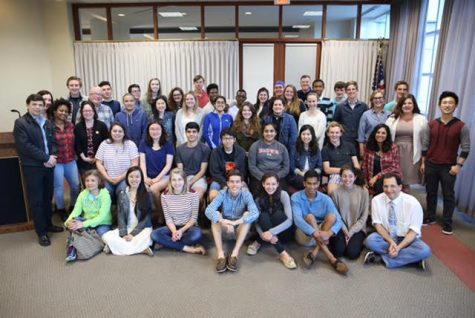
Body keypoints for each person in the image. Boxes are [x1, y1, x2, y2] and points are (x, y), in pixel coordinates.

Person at [13, 94, 62, 246]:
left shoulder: (47, 122)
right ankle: (41, 232)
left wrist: (53, 157)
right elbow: (25, 146)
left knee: (48, 197)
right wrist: (45, 158)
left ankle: (48, 224)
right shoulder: (21, 123)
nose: (38, 107)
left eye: (40, 105)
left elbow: (54, 142)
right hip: (33, 167)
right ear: (27, 105)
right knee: (37, 200)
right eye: (34, 104)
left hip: (49, 165)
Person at [421, 91, 470, 235]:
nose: (447, 105)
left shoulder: (461, 126)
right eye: (444, 102)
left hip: (449, 167)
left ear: (455, 105)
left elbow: (466, 148)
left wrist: (458, 165)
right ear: (439, 105)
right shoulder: (431, 124)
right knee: (430, 192)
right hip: (431, 164)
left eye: (450, 103)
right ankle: (430, 217)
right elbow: (425, 145)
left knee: (448, 195)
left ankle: (447, 222)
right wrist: (423, 163)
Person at [364, 173, 431, 269]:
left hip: (407, 239)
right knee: (370, 241)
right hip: (387, 237)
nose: (389, 190)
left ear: (400, 187)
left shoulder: (413, 203)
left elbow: (413, 233)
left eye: (392, 186)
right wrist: (391, 242)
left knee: (425, 250)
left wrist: (398, 248)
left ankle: (381, 258)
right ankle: (411, 259)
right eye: (385, 186)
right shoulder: (376, 200)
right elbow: (378, 225)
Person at [291, 170, 348, 275]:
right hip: (305, 236)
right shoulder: (296, 197)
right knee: (309, 217)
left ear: (318, 183)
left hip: (322, 235)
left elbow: (339, 219)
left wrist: (329, 233)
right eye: (309, 183)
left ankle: (314, 252)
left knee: (332, 216)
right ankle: (331, 258)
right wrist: (314, 232)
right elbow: (297, 220)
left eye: (315, 183)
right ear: (304, 183)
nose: (312, 187)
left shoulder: (326, 199)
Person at [205, 170, 259, 273]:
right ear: (228, 183)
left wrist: (237, 222)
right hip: (225, 229)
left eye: (237, 182)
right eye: (232, 182)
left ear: (241, 183)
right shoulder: (222, 193)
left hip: (240, 230)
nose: (235, 185)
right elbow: (209, 210)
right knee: (215, 215)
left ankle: (234, 254)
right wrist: (222, 221)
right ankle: (221, 255)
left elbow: (255, 213)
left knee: (247, 215)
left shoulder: (246, 195)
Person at [246, 172, 296, 269]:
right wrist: (263, 234)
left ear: (277, 184)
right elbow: (256, 221)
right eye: (268, 184)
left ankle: (258, 242)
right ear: (263, 184)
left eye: (273, 184)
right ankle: (283, 253)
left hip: (283, 232)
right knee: (263, 216)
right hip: (266, 234)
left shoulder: (283, 195)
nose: (270, 187)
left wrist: (271, 232)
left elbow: (289, 220)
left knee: (278, 215)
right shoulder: (258, 198)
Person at [151, 168, 205, 255]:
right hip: (172, 227)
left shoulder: (193, 194)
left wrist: (181, 231)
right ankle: (187, 248)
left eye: (179, 179)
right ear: (170, 182)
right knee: (154, 234)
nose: (177, 183)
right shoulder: (165, 196)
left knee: (197, 235)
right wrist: (174, 231)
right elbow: (168, 219)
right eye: (174, 180)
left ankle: (167, 243)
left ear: (184, 180)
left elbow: (193, 218)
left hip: (188, 227)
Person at [102, 166, 154, 256]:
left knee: (148, 237)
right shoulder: (122, 193)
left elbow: (146, 218)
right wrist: (124, 234)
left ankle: (114, 247)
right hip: (128, 226)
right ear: (127, 178)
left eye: (137, 177)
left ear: (141, 178)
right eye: (131, 176)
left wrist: (133, 234)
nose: (134, 179)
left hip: (142, 228)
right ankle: (141, 249)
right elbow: (120, 214)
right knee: (106, 236)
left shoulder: (147, 194)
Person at [64, 170, 112, 262]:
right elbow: (76, 211)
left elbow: (101, 217)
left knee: (101, 234)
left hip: (102, 223)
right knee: (73, 222)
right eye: (87, 180)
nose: (90, 183)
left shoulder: (105, 195)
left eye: (93, 180)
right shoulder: (83, 194)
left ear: (99, 181)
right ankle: (72, 248)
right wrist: (68, 222)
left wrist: (83, 225)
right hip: (87, 221)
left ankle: (75, 242)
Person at [386, 94, 428, 188]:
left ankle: (405, 201)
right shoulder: (392, 118)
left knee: (406, 182)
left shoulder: (421, 119)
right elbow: (386, 136)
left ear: (414, 105)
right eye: (404, 103)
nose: (407, 105)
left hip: (412, 153)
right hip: (394, 153)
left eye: (410, 103)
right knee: (394, 180)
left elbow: (425, 139)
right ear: (400, 105)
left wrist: (423, 160)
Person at [50, 98, 80, 221]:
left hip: (70, 160)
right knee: (59, 188)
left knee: (75, 186)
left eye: (66, 111)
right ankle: (61, 209)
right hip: (57, 162)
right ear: (55, 111)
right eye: (61, 110)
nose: (63, 113)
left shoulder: (70, 125)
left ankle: (73, 206)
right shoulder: (49, 126)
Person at [330, 165, 369, 260]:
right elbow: (336, 215)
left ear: (355, 177)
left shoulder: (363, 191)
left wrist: (351, 232)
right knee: (338, 252)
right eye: (344, 176)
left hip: (357, 228)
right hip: (341, 227)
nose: (347, 179)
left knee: (352, 254)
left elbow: (364, 217)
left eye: (350, 176)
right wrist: (345, 231)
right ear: (340, 177)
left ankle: (359, 242)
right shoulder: (335, 192)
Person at [139, 121, 174, 218]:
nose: (155, 131)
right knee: (142, 188)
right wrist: (145, 178)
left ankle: (161, 214)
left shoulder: (168, 144)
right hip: (147, 176)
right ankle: (145, 217)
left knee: (153, 189)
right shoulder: (143, 144)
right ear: (148, 131)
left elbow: (168, 165)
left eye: (158, 129)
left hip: (164, 176)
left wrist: (156, 179)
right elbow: (142, 162)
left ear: (162, 130)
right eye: (152, 129)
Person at [95, 122, 139, 199]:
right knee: (105, 193)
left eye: (120, 131)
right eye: (114, 131)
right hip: (107, 178)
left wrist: (120, 178)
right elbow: (98, 163)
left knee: (123, 192)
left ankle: (122, 211)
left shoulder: (130, 144)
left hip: (125, 178)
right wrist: (107, 177)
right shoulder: (104, 144)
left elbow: (134, 164)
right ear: (110, 132)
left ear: (124, 133)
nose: (117, 133)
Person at [248, 123, 290, 194]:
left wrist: (275, 178)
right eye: (266, 131)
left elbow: (286, 168)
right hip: (259, 177)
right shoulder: (255, 146)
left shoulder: (282, 147)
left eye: (271, 131)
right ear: (263, 133)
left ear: (275, 133)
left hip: (278, 177)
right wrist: (264, 178)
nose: (269, 133)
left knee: (282, 193)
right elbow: (252, 167)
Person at [209, 129, 247, 201]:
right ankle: (217, 212)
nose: (227, 141)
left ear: (234, 139)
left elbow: (243, 171)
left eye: (230, 138)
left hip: (238, 180)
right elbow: (214, 172)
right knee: (213, 196)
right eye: (225, 138)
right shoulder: (215, 152)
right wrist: (225, 184)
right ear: (221, 140)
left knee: (246, 194)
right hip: (219, 180)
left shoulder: (241, 152)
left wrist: (235, 183)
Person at [322, 122, 360, 195]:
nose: (334, 135)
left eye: (337, 132)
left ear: (341, 133)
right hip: (335, 175)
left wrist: (350, 173)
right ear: (328, 134)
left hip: (351, 174)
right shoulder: (325, 149)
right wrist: (344, 170)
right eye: (332, 132)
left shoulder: (350, 146)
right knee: (332, 192)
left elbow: (356, 166)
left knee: (358, 192)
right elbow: (327, 169)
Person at [175, 122, 211, 201]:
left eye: (194, 132)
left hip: (199, 178)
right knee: (175, 195)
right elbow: (180, 170)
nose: (191, 134)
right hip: (184, 177)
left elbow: (202, 171)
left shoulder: (205, 149)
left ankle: (199, 209)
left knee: (196, 197)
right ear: (185, 133)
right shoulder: (179, 149)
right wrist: (183, 182)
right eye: (189, 132)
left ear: (198, 133)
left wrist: (190, 183)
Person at [362, 124, 402, 195]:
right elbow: (365, 166)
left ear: (387, 135)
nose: (380, 135)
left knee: (380, 184)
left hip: (390, 176)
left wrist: (377, 177)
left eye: (383, 133)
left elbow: (394, 167)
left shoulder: (393, 147)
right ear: (374, 133)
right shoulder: (369, 147)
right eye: (378, 132)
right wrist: (365, 181)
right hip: (372, 177)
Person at [74, 101, 109, 174]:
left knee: (99, 184)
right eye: (85, 111)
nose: (87, 113)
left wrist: (97, 157)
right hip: (83, 162)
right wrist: (84, 158)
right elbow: (77, 144)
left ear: (94, 111)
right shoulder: (78, 127)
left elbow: (106, 143)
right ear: (82, 113)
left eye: (90, 110)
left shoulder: (101, 125)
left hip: (99, 161)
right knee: (86, 184)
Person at [333, 81, 368, 150]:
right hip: (344, 140)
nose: (351, 91)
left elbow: (366, 124)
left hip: (358, 141)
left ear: (357, 90)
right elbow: (335, 123)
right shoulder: (340, 106)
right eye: (349, 90)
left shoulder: (364, 106)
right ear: (346, 91)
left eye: (353, 89)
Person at [357, 90, 390, 157]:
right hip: (369, 146)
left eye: (380, 98)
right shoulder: (366, 114)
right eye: (375, 98)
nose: (378, 100)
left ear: (383, 99)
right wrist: (361, 151)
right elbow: (361, 134)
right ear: (372, 100)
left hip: (384, 147)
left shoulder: (389, 115)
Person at [289, 125, 322, 190]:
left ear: (312, 135)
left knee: (313, 182)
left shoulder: (316, 149)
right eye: (303, 134)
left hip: (313, 174)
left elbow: (319, 167)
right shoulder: (294, 148)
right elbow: (292, 166)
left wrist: (310, 174)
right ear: (300, 135)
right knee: (304, 182)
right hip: (298, 175)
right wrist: (302, 173)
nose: (306, 136)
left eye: (308, 134)